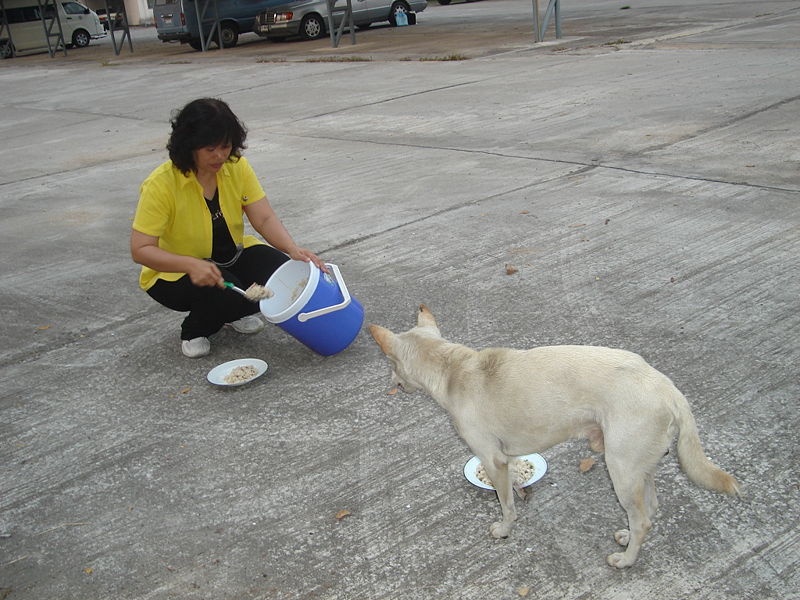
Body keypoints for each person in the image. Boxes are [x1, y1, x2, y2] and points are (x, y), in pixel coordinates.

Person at [131, 98, 325, 358]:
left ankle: (230, 313)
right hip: (174, 274)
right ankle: (195, 329)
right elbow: (141, 249)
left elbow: (263, 217)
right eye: (210, 149)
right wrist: (191, 265)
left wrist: (293, 249)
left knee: (279, 275)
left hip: (230, 255)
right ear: (189, 146)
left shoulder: (236, 167)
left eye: (226, 146)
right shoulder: (160, 185)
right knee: (227, 291)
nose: (220, 156)